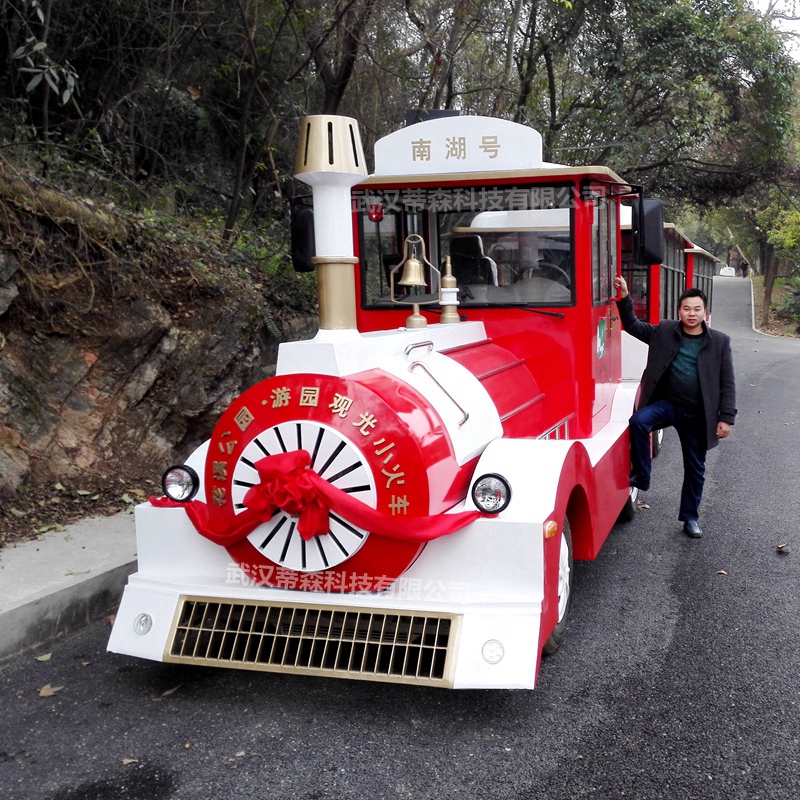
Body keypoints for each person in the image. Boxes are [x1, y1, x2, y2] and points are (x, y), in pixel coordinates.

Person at [613, 275, 737, 538]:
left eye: (697, 309)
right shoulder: (664, 332)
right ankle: (643, 476)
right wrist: (624, 297)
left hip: (698, 415)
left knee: (695, 469)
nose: (691, 313)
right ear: (679, 311)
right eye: (686, 308)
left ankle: (690, 517)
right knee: (638, 422)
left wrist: (726, 417)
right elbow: (633, 326)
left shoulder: (719, 342)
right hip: (668, 405)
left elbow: (728, 382)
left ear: (706, 312)